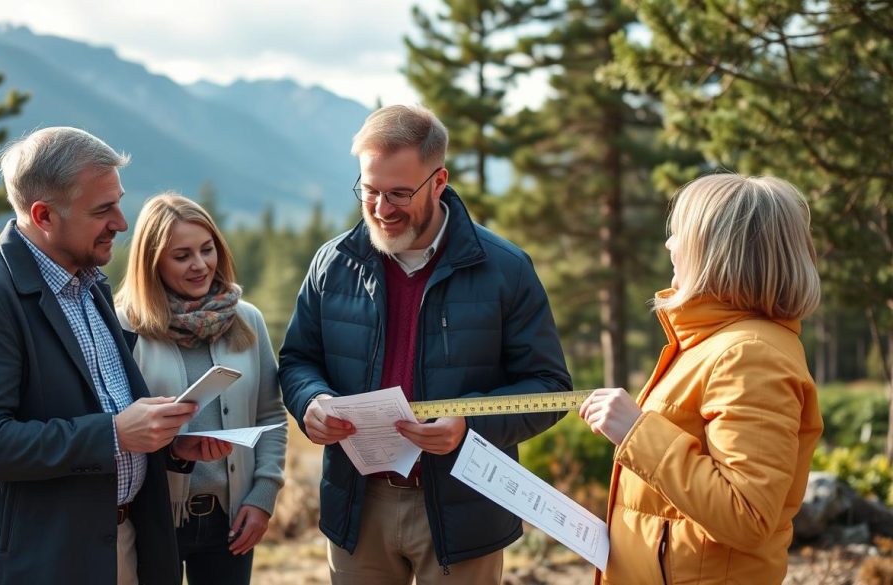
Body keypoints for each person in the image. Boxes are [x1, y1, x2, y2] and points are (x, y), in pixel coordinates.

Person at [278, 104, 572, 585]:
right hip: (356, 506)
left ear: (439, 181)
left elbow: (550, 388)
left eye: (398, 193)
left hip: (465, 506)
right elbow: (297, 360)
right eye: (368, 190)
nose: (380, 208)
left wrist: (469, 424)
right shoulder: (331, 264)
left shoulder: (506, 268)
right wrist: (311, 401)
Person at [0, 127, 227, 585]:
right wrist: (114, 433)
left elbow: (99, 414)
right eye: (102, 210)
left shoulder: (91, 286)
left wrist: (167, 446)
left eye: (118, 201)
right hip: (44, 563)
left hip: (124, 547)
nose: (122, 222)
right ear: (44, 215)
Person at [579, 174, 824, 584]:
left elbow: (747, 516)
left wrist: (638, 433)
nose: (669, 246)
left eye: (679, 234)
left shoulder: (751, 355)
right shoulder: (710, 343)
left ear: (717, 251)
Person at [115, 193, 287, 585]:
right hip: (152, 518)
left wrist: (263, 497)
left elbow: (271, 416)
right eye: (182, 256)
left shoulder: (247, 319)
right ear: (152, 262)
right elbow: (115, 430)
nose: (200, 265)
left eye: (207, 250)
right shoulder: (123, 327)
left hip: (232, 518)